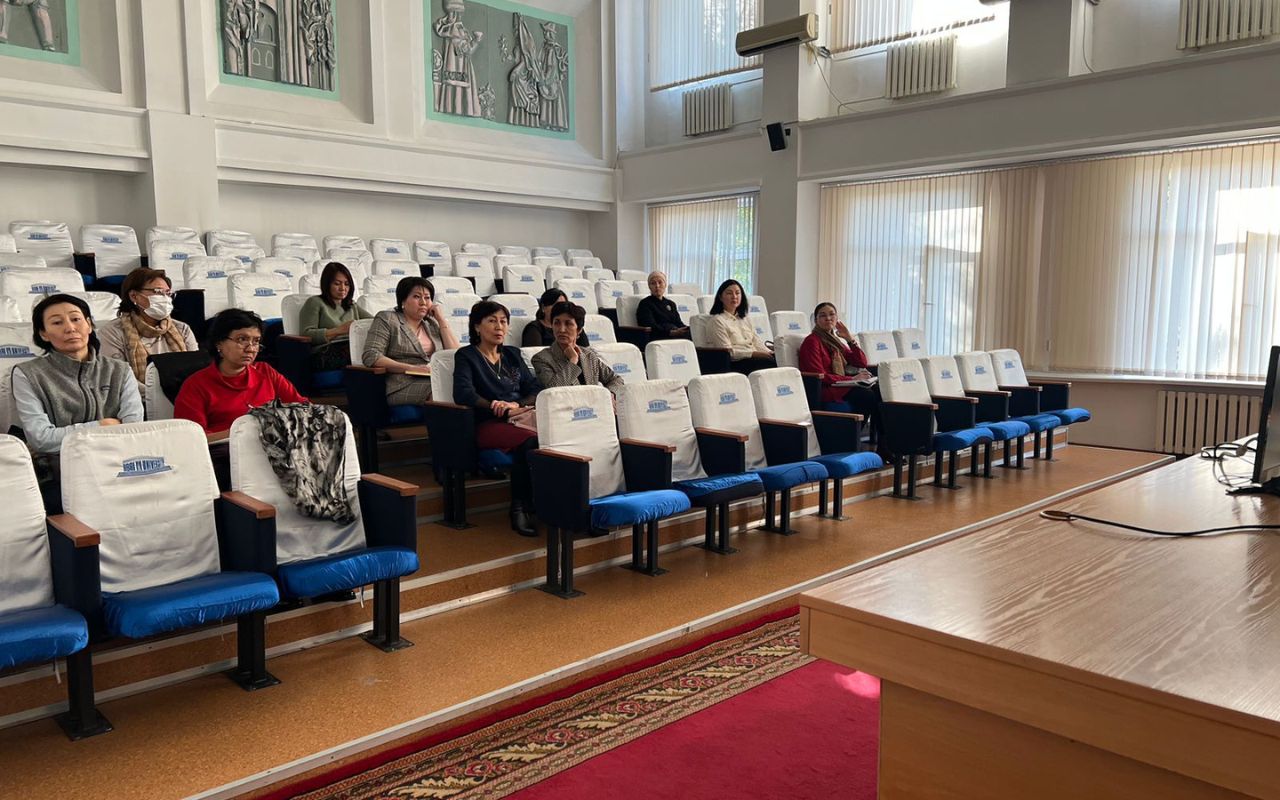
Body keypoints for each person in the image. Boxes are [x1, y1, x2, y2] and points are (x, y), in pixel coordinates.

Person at [12, 293, 144, 511]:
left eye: (76, 319)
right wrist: (101, 426)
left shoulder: (119, 370)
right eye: (57, 322)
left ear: (89, 325)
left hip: (116, 463)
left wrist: (73, 434)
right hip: (60, 471)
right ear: (43, 333)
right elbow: (41, 439)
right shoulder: (28, 374)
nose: (70, 328)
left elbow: (133, 429)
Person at [453, 301, 543, 536]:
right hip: (487, 423)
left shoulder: (512, 354)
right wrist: (496, 407)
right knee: (531, 442)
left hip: (519, 417)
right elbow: (463, 393)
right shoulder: (467, 356)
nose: (499, 326)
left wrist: (516, 405)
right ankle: (519, 508)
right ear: (477, 326)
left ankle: (546, 501)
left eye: (503, 321)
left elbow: (535, 388)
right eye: (492, 321)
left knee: (551, 436)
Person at [174, 308, 308, 439]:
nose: (251, 349)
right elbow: (191, 437)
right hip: (223, 449)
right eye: (242, 339)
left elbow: (302, 408)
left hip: (271, 446)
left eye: (256, 341)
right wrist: (246, 432)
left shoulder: (266, 372)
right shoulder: (196, 385)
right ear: (219, 343)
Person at [361, 276, 461, 405]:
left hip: (433, 378)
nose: (423, 302)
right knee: (443, 390)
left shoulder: (432, 323)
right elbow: (371, 355)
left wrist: (441, 320)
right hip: (402, 383)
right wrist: (411, 368)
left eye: (427, 298)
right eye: (417, 297)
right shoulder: (387, 319)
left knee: (466, 387)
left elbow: (456, 355)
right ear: (403, 300)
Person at [97, 267, 199, 389]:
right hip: (138, 397)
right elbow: (118, 377)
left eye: (168, 293)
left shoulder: (182, 329)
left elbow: (196, 370)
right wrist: (155, 396)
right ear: (134, 296)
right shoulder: (112, 332)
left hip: (184, 394)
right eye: (158, 291)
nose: (165, 298)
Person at [798, 302, 879, 425]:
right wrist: (852, 379)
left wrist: (849, 339)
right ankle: (852, 434)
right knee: (866, 396)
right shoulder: (812, 342)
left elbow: (861, 362)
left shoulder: (835, 341)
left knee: (878, 390)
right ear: (816, 320)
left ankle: (882, 436)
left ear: (836, 318)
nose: (828, 318)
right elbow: (820, 376)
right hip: (827, 389)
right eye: (823, 315)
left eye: (832, 314)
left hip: (842, 385)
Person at [532, 301, 624, 392]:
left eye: (568, 324)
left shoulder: (589, 355)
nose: (561, 329)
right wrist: (573, 361)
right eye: (557, 323)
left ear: (579, 330)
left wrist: (610, 394)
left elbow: (616, 379)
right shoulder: (542, 359)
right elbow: (553, 391)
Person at [299, 261, 372, 371]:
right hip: (324, 353)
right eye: (337, 284)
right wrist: (339, 330)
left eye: (346, 284)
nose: (343, 288)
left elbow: (374, 321)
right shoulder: (315, 302)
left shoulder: (352, 305)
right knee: (365, 354)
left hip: (351, 348)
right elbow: (306, 334)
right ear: (327, 284)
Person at [707, 279, 774, 374]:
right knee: (769, 364)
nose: (734, 296)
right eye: (729, 293)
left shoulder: (745, 319)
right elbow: (727, 352)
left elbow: (757, 342)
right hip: (736, 362)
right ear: (720, 297)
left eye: (737, 293)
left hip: (754, 358)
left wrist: (770, 353)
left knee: (779, 360)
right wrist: (753, 354)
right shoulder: (717, 321)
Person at [522, 287, 589, 348]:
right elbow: (534, 353)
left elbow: (586, 350)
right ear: (543, 307)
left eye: (563, 305)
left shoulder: (574, 326)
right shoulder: (534, 328)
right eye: (555, 305)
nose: (560, 309)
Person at [635, 271, 689, 338]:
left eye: (660, 282)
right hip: (659, 336)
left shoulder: (671, 304)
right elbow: (651, 326)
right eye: (653, 283)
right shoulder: (645, 304)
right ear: (649, 286)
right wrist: (671, 333)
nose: (657, 286)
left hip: (675, 333)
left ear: (665, 285)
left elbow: (678, 323)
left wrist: (687, 329)